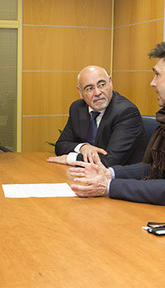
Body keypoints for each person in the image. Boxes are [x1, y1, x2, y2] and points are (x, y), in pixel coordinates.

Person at [69, 41, 165, 205]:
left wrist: (109, 186)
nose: (152, 83)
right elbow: (155, 169)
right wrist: (109, 173)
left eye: (157, 75)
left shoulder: (125, 111)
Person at [47, 65, 147, 167]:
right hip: (89, 175)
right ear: (80, 92)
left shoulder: (126, 112)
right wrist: (83, 147)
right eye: (89, 88)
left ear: (110, 82)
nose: (97, 93)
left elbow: (110, 161)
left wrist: (71, 158)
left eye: (102, 85)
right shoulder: (77, 108)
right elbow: (61, 145)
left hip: (121, 179)